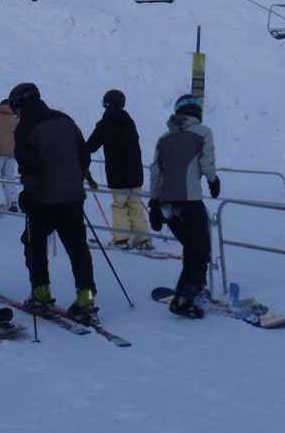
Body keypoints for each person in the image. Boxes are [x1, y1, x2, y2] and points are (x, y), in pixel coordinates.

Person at [9, 82, 98, 325]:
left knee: (34, 243)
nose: (16, 113)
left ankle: (41, 292)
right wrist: (75, 178)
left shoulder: (26, 127)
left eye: (15, 108)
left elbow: (28, 165)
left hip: (44, 200)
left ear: (21, 105)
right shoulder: (65, 120)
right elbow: (84, 155)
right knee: (78, 248)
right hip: (73, 198)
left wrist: (29, 192)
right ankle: (86, 297)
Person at [148, 94, 221, 319]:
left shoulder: (164, 138)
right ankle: (185, 298)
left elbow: (156, 172)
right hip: (189, 200)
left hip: (167, 203)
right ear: (196, 112)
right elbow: (206, 162)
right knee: (199, 249)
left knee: (192, 248)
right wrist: (213, 180)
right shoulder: (203, 132)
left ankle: (194, 289)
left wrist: (154, 203)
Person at [85, 88, 151, 250]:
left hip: (117, 174)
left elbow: (91, 146)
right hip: (135, 173)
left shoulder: (105, 123)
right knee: (135, 205)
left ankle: (122, 240)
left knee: (119, 205)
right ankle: (143, 240)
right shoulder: (129, 121)